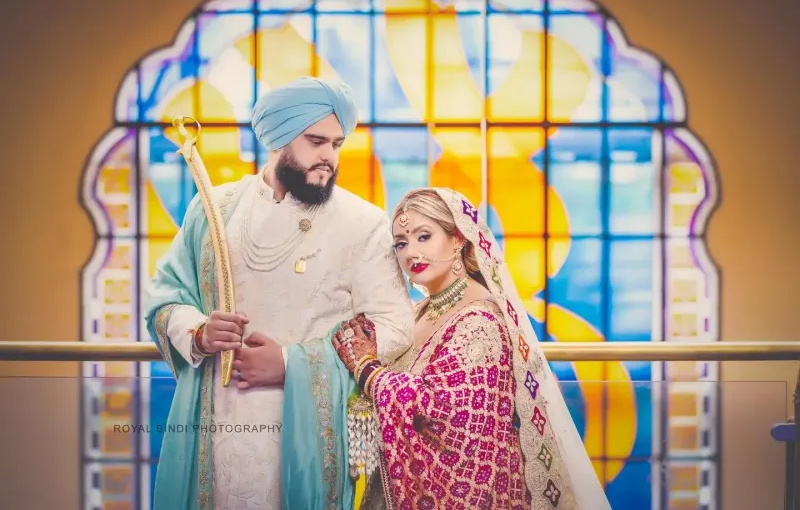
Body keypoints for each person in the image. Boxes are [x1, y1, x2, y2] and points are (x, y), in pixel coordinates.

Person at [143, 76, 415, 510]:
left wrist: (291, 364)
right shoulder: (214, 208)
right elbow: (165, 295)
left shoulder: (362, 223)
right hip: (213, 428)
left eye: (337, 144)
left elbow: (396, 326)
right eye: (315, 141)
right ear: (278, 139)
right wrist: (197, 333)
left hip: (308, 433)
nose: (328, 156)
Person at [332, 188, 611, 510]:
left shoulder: (481, 320)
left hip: (474, 491)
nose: (411, 252)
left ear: (459, 239)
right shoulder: (420, 311)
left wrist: (367, 369)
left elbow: (448, 413)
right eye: (401, 243)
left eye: (424, 236)